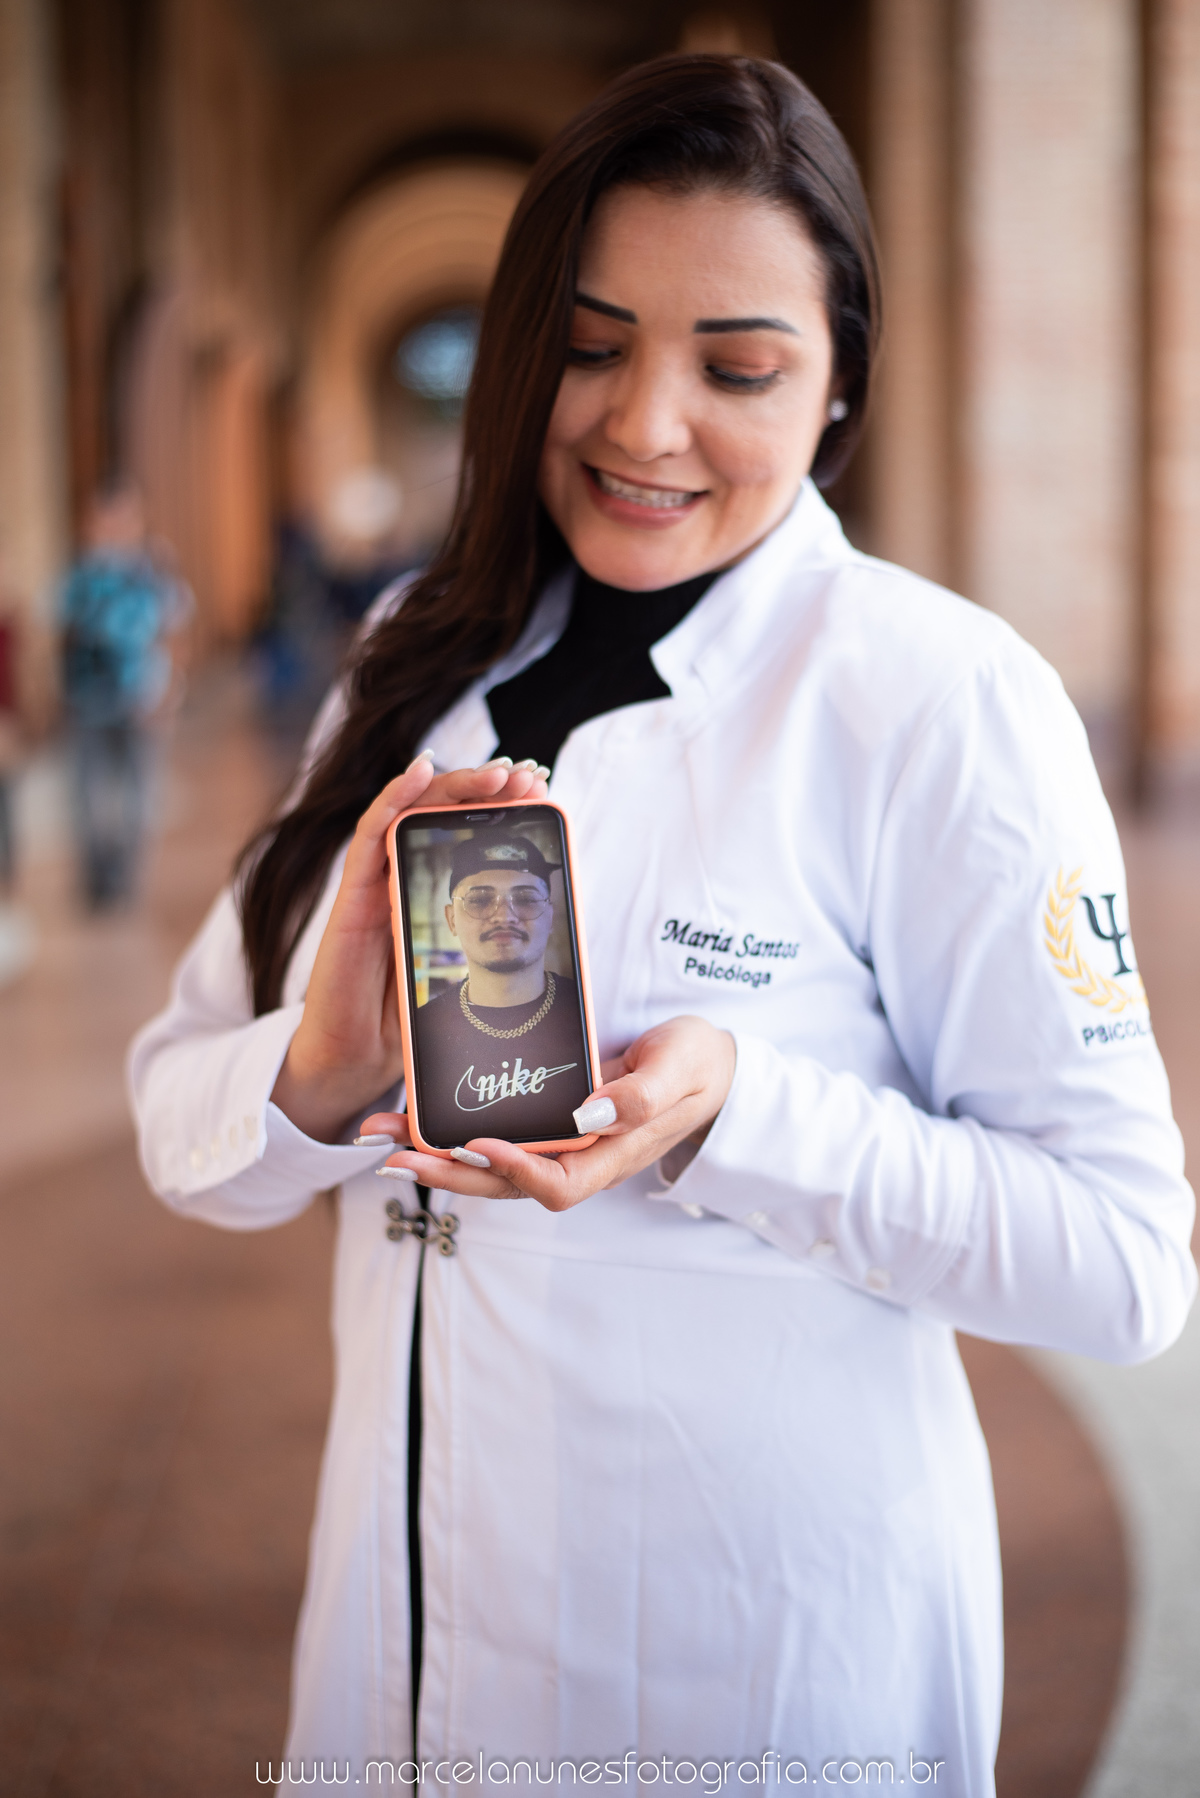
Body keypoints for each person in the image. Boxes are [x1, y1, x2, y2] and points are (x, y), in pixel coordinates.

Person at [129, 55, 1195, 1798]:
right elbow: (190, 1117)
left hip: (766, 1677)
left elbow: (1124, 1257)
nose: (643, 423)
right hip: (401, 1672)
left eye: (741, 366)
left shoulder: (935, 701)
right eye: (596, 341)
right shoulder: (412, 662)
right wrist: (314, 1073)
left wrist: (739, 1113)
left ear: (840, 382)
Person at [409, 831, 590, 1144]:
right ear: (451, 919)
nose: (504, 916)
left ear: (550, 915)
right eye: (479, 900)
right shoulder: (422, 1028)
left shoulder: (588, 1014)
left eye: (526, 899)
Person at [60, 481, 188, 908]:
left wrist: (169, 693)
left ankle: (124, 879)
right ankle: (98, 876)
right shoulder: (80, 575)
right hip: (87, 699)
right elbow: (62, 633)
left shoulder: (155, 570)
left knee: (138, 793)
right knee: (91, 795)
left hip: (140, 698)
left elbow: (174, 631)